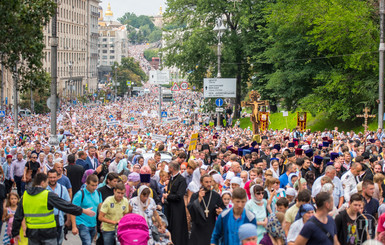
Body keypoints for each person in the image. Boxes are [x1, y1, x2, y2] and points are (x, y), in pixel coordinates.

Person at [11, 173, 95, 245]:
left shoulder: (25, 195)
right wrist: (83, 210)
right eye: (47, 182)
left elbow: (18, 215)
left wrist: (15, 232)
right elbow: (65, 205)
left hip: (32, 233)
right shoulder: (47, 195)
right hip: (48, 233)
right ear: (43, 182)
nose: (47, 184)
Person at [187, 174, 225, 245]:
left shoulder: (215, 195)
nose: (209, 184)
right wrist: (199, 199)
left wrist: (220, 211)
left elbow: (223, 208)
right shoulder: (195, 195)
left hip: (210, 226)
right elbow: (190, 209)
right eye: (206, 182)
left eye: (210, 182)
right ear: (201, 182)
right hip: (198, 228)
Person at [71, 174, 102, 245]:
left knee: (89, 242)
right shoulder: (80, 194)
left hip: (93, 224)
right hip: (82, 223)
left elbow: (100, 208)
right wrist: (74, 226)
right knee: (87, 243)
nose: (94, 187)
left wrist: (101, 221)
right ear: (86, 184)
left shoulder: (98, 193)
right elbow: (73, 210)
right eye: (92, 185)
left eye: (96, 185)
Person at [163, 161, 188, 245]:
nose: (168, 169)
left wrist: (168, 196)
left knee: (177, 228)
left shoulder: (181, 179)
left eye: (169, 167)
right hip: (170, 207)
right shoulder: (172, 178)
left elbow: (179, 195)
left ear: (172, 168)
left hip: (178, 208)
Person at [46, 169, 71, 245]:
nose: (52, 179)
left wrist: (68, 219)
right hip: (46, 222)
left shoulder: (63, 189)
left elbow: (68, 204)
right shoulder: (44, 189)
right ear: (47, 178)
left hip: (59, 221)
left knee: (58, 242)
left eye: (54, 177)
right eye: (50, 177)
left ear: (57, 177)